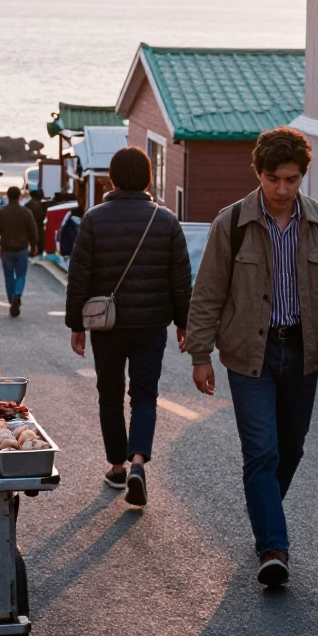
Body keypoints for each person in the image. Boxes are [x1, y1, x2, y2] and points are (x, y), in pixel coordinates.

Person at [186, 127, 318, 587]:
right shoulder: (230, 223)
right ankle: (273, 548)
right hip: (247, 353)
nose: (281, 189)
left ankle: (263, 510)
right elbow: (208, 292)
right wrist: (200, 354)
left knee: (290, 448)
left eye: (291, 180)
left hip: (303, 351)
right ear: (258, 173)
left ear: (303, 177)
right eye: (273, 178)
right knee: (261, 452)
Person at [65, 146, 191, 505]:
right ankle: (138, 462)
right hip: (151, 324)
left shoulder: (93, 218)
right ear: (149, 179)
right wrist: (183, 323)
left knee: (110, 393)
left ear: (114, 179)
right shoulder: (165, 221)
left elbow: (80, 275)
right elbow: (181, 279)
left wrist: (77, 323)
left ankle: (117, 468)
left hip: (107, 326)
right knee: (145, 395)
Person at [0, 185, 38, 316]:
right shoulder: (26, 212)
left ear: (7, 196)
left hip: (6, 249)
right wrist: (34, 245)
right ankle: (17, 294)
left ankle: (11, 298)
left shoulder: (1, 212)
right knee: (21, 275)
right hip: (22, 248)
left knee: (8, 275)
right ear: (19, 197)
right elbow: (32, 231)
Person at [26, 188, 47, 257]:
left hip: (32, 225)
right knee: (37, 239)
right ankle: (37, 251)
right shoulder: (37, 204)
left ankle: (35, 251)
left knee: (33, 239)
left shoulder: (29, 204)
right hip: (37, 225)